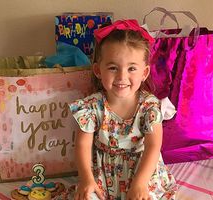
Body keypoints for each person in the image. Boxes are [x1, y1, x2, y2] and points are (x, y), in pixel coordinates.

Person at [69, 19, 177, 200]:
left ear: (144, 73)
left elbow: (153, 146)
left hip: (140, 171)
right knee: (87, 196)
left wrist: (140, 183)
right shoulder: (91, 107)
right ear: (98, 70)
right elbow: (82, 145)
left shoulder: (149, 107)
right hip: (101, 173)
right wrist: (86, 179)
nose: (122, 77)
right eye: (112, 68)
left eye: (132, 68)